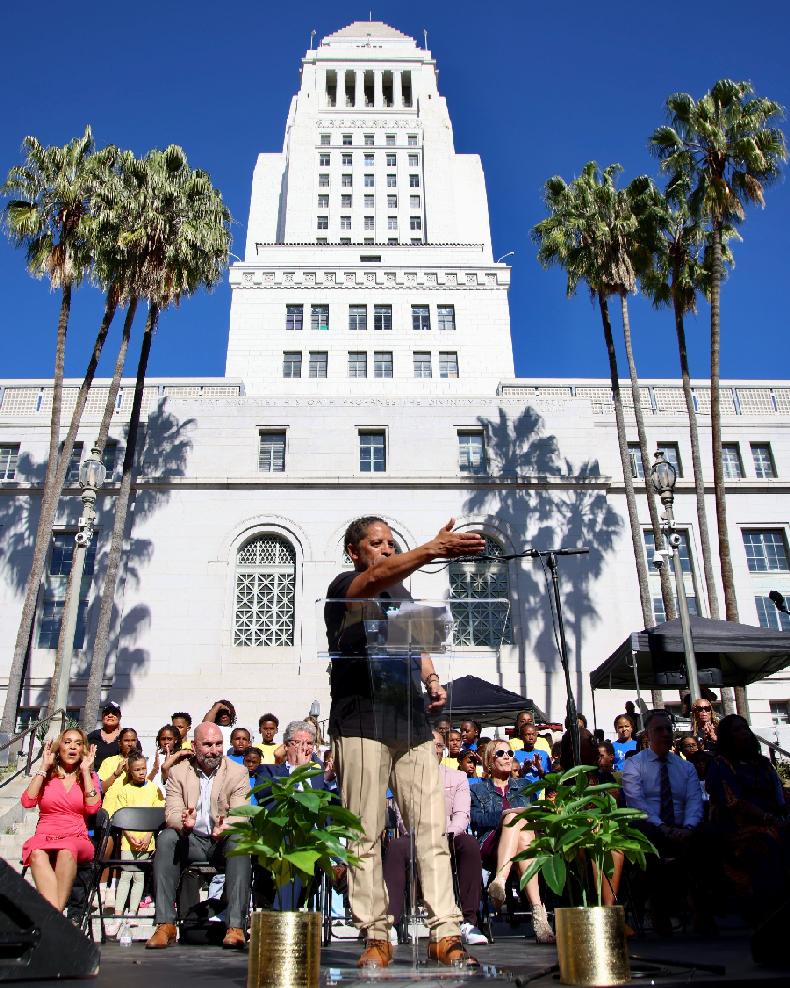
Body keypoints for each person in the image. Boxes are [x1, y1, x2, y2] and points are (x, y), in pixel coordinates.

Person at [325, 515, 485, 969]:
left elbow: (417, 641)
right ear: (355, 551)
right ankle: (376, 933)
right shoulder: (347, 583)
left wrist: (431, 678)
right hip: (360, 718)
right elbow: (374, 579)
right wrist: (432, 549)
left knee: (432, 828)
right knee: (365, 831)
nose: (387, 550)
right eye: (377, 543)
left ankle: (446, 931)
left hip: (409, 719)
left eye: (393, 543)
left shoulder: (401, 593)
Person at [146, 722, 251, 950]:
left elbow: (242, 814)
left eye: (218, 744)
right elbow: (172, 812)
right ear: (194, 746)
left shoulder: (237, 772)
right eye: (207, 745)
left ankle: (235, 926)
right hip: (191, 839)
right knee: (166, 838)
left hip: (222, 841)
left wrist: (227, 826)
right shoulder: (178, 772)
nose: (214, 750)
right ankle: (165, 923)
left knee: (241, 841)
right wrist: (183, 822)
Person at [384, 731, 488, 947]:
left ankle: (468, 922)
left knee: (468, 844)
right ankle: (390, 923)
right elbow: (404, 819)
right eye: (428, 745)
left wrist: (445, 834)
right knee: (395, 846)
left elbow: (462, 815)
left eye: (439, 746)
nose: (434, 750)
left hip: (450, 836)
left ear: (444, 750)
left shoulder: (457, 778)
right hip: (416, 837)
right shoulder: (404, 778)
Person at [621, 710, 705, 934]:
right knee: (653, 840)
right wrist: (663, 828)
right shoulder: (634, 765)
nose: (666, 734)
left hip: (681, 827)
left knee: (706, 838)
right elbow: (637, 803)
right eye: (660, 729)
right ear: (648, 735)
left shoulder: (685, 767)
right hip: (650, 825)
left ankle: (701, 911)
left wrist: (688, 827)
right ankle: (659, 910)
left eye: (669, 729)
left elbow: (694, 801)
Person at [706, 714, 790, 921]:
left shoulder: (762, 763)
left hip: (772, 821)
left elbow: (779, 795)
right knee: (769, 842)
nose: (743, 733)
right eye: (736, 730)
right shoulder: (721, 765)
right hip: (737, 827)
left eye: (744, 728)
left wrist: (781, 815)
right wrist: (768, 818)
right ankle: (770, 911)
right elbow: (734, 802)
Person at [469, 743, 555, 943]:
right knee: (512, 819)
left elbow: (536, 814)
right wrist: (505, 816)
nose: (507, 756)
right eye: (501, 753)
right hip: (491, 843)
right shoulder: (477, 789)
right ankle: (539, 914)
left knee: (523, 835)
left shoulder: (525, 785)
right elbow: (477, 819)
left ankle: (500, 881)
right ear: (490, 761)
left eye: (510, 753)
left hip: (526, 843)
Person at [255, 720, 335, 909]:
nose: (305, 748)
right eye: (299, 743)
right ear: (286, 746)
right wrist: (297, 773)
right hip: (278, 837)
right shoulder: (270, 771)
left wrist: (325, 780)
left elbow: (324, 811)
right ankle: (283, 915)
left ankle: (282, 916)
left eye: (309, 744)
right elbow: (266, 799)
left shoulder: (319, 777)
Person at [21, 729, 100, 910]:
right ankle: (56, 914)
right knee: (35, 851)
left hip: (76, 836)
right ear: (59, 747)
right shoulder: (47, 776)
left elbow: (93, 807)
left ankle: (53, 915)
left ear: (83, 750)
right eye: (67, 742)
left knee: (67, 850)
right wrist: (43, 768)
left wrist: (86, 772)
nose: (73, 747)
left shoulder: (89, 777)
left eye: (78, 743)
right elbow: (27, 801)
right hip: (46, 834)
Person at [106, 753, 164, 937]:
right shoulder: (125, 790)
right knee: (125, 875)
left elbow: (157, 813)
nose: (141, 773)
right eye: (137, 770)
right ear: (130, 772)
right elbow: (120, 815)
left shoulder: (153, 788)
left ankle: (133, 912)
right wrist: (130, 837)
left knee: (139, 877)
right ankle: (118, 914)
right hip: (128, 842)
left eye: (143, 769)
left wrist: (148, 836)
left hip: (147, 841)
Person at [148, 724, 191, 795]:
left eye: (169, 739)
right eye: (163, 739)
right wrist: (155, 769)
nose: (166, 742)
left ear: (176, 740)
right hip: (155, 799)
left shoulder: (181, 757)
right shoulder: (153, 758)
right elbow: (147, 781)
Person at [98, 728, 141, 795]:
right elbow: (101, 789)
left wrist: (129, 772)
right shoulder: (108, 761)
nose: (130, 744)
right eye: (126, 740)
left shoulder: (141, 762)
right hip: (111, 804)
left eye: (133, 740)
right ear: (120, 743)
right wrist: (115, 774)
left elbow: (143, 788)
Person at [87, 701, 122, 771]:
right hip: (95, 779)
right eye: (107, 713)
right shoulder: (92, 736)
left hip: (119, 780)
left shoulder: (127, 737)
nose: (110, 715)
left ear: (120, 717)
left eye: (114, 713)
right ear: (102, 716)